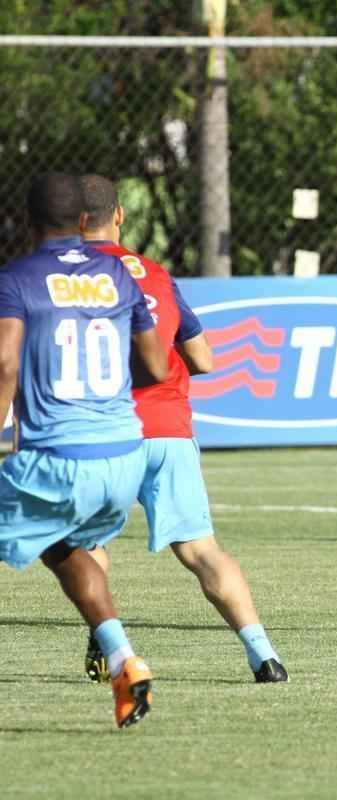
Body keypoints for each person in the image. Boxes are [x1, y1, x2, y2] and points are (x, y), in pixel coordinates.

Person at [77, 174, 288, 683]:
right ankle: (264, 655)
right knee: (201, 551)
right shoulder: (155, 273)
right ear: (120, 216)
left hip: (106, 432)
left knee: (87, 545)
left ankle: (109, 642)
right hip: (169, 429)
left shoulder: (57, 280)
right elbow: (204, 358)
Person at [0, 173, 169, 727]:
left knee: (55, 540)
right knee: (64, 548)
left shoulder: (18, 278)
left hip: (60, 456)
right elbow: (156, 364)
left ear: (28, 222)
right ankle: (123, 660)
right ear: (83, 223)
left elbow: (4, 364)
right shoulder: (118, 272)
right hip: (123, 455)